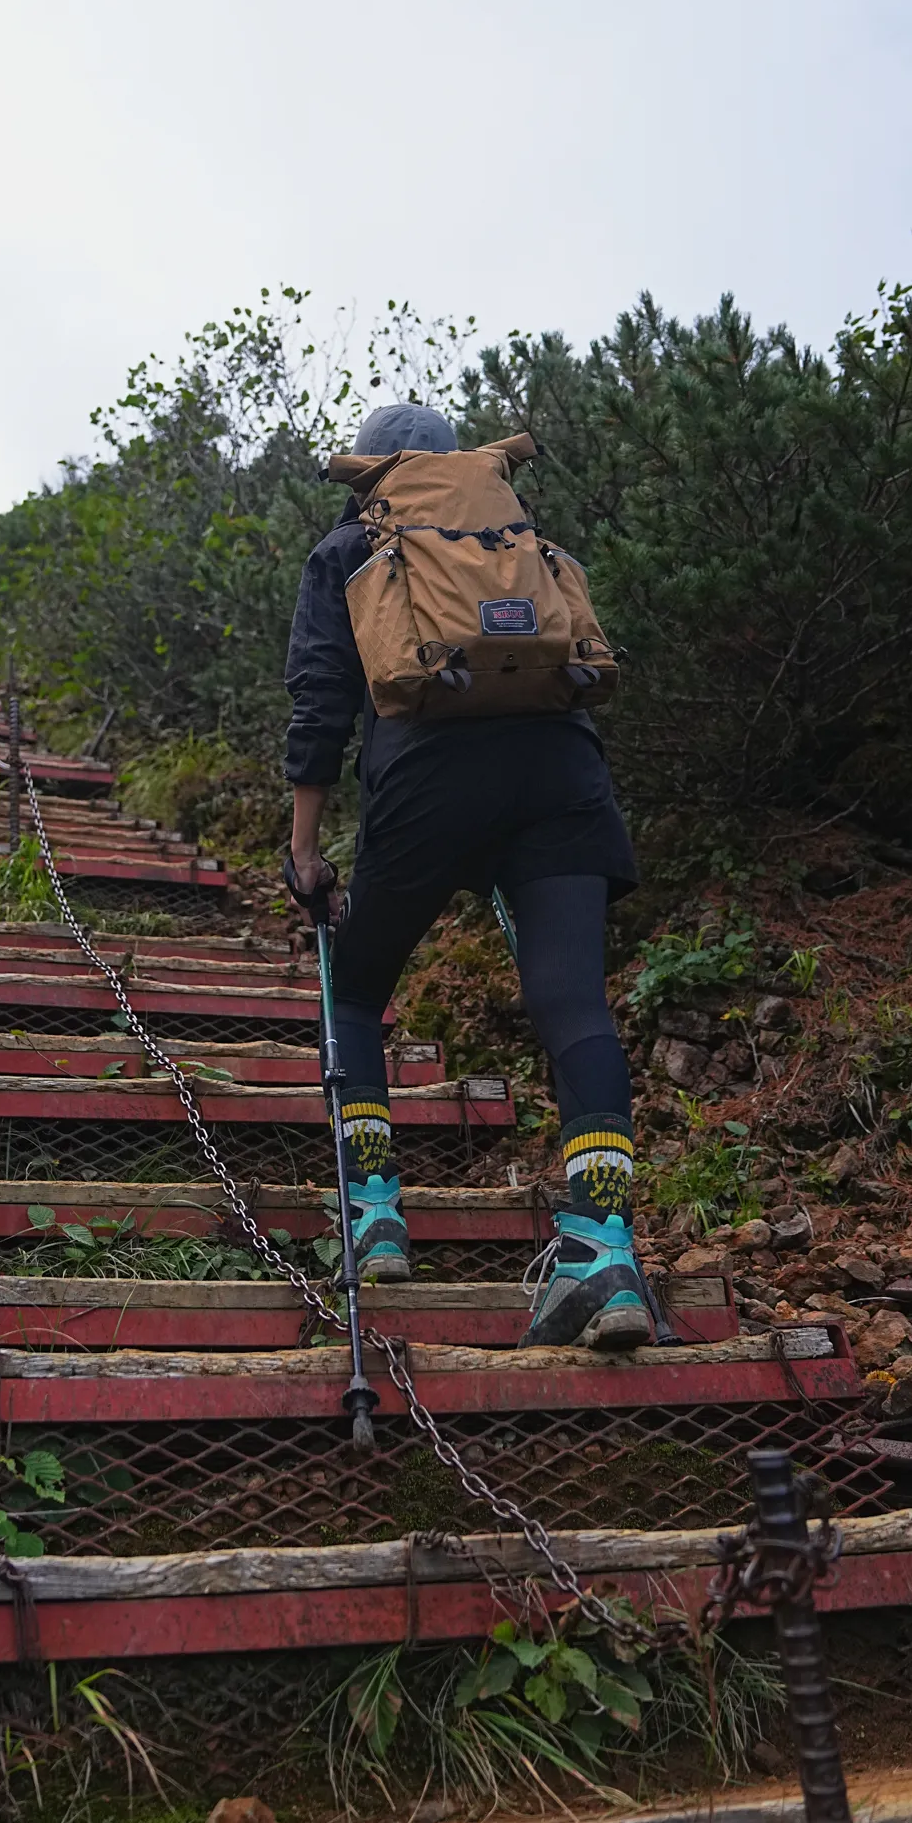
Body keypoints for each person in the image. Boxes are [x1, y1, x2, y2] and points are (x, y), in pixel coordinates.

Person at [283, 401, 652, 1350]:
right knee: (575, 1006)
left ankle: (374, 1218)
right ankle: (604, 1250)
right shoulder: (515, 533)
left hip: (426, 780)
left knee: (358, 995)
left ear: (367, 468)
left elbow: (322, 698)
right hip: (562, 774)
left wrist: (305, 848)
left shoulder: (350, 548)